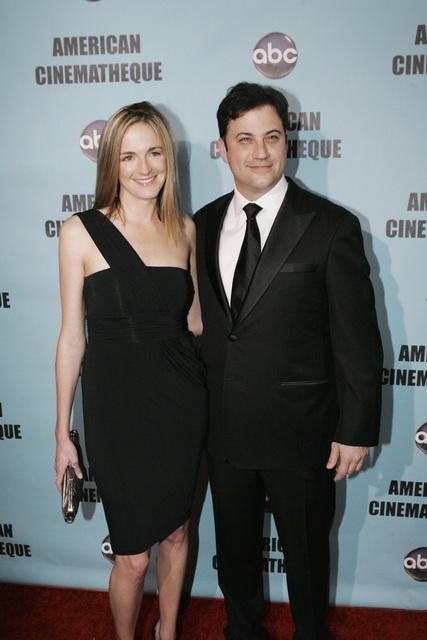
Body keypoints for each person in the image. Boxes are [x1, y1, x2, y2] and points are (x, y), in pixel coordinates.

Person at [194, 82, 383, 640]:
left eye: (272, 137)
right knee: (234, 555)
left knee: (305, 556)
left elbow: (357, 339)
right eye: (245, 139)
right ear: (222, 148)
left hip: (303, 432)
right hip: (225, 429)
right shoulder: (199, 225)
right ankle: (242, 630)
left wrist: (355, 429)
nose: (260, 151)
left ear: (287, 143)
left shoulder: (331, 226)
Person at [54, 101, 206, 640]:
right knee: (133, 558)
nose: (145, 168)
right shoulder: (79, 232)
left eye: (155, 153)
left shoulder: (185, 230)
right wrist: (62, 433)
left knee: (178, 534)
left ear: (169, 159)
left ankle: (168, 632)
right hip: (116, 408)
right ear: (110, 165)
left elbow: (195, 322)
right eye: (128, 156)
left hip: (181, 402)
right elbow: (72, 337)